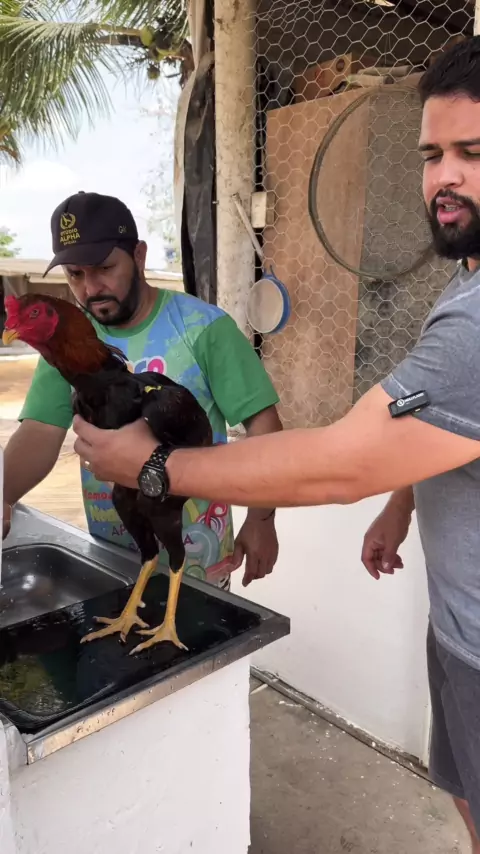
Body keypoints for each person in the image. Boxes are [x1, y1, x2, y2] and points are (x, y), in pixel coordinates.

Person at [73, 39, 480, 850]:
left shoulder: (472, 321)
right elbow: (442, 429)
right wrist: (402, 504)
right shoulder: (464, 278)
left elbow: (342, 461)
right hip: (460, 623)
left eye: (472, 153)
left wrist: (157, 467)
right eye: (431, 154)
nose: (444, 177)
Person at [3, 191, 283, 590]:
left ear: (138, 255)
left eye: (104, 268)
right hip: (112, 557)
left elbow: (263, 425)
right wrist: (3, 495)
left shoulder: (203, 328)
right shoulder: (65, 341)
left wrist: (261, 518)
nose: (91, 288)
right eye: (75, 274)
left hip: (198, 557)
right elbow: (39, 431)